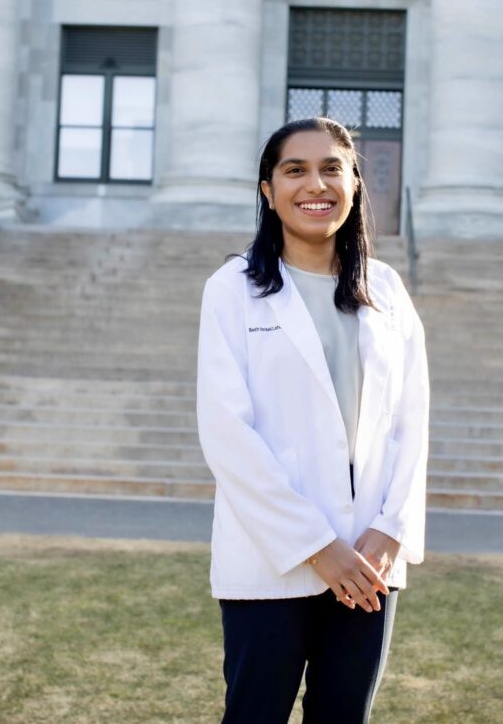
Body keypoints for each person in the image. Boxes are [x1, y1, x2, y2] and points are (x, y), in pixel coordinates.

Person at [196, 117, 430, 724]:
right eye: (294, 170)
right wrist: (318, 547)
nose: (315, 184)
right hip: (271, 559)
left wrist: (390, 530)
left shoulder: (386, 290)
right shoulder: (232, 291)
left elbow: (411, 421)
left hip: (369, 562)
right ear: (268, 191)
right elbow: (227, 434)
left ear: (354, 183)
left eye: (332, 168)